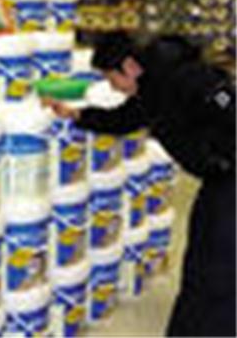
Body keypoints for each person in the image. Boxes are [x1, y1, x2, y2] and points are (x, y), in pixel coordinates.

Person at [46, 31, 236, 337]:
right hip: (217, 180)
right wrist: (77, 115)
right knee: (199, 260)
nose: (112, 87)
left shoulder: (190, 80)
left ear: (130, 67)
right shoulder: (150, 91)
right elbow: (123, 119)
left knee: (222, 269)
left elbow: (230, 109)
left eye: (111, 78)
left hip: (232, 181)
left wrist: (221, 154)